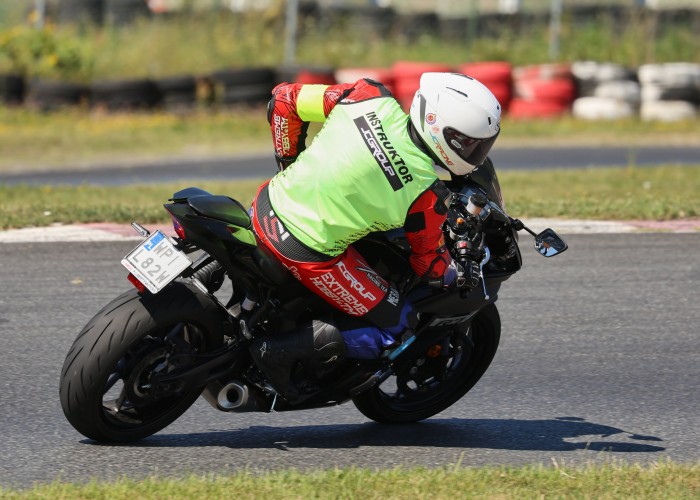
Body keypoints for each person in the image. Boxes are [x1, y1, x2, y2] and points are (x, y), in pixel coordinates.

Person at [249, 72, 502, 399]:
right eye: (468, 142)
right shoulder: (426, 196)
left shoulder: (368, 96)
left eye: (482, 145)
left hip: (266, 203)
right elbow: (429, 267)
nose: (475, 151)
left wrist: (289, 165)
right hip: (305, 250)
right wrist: (460, 273)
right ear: (440, 129)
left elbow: (284, 100)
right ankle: (274, 350)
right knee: (398, 324)